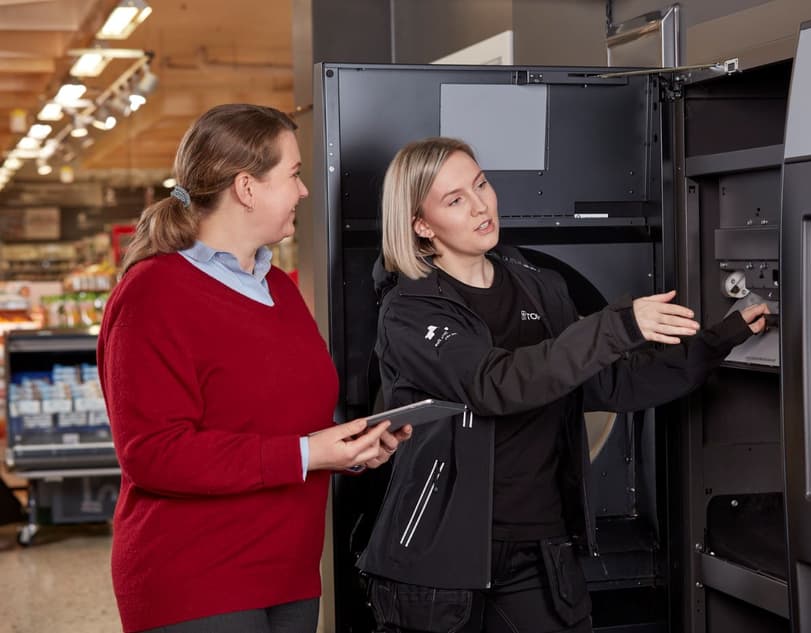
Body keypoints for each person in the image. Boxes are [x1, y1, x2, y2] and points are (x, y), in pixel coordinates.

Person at [357, 137, 769, 633]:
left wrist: (720, 338)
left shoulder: (538, 285)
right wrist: (618, 325)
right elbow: (495, 383)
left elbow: (612, 382)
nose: (481, 205)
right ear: (421, 225)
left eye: (481, 184)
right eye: (455, 200)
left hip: (541, 552)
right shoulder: (410, 310)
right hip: (439, 564)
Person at [97, 104, 410, 633]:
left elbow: (284, 427)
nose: (304, 191)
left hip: (288, 571)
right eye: (292, 174)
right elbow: (153, 453)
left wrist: (346, 449)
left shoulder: (278, 290)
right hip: (194, 578)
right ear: (246, 188)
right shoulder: (153, 293)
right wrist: (307, 452)